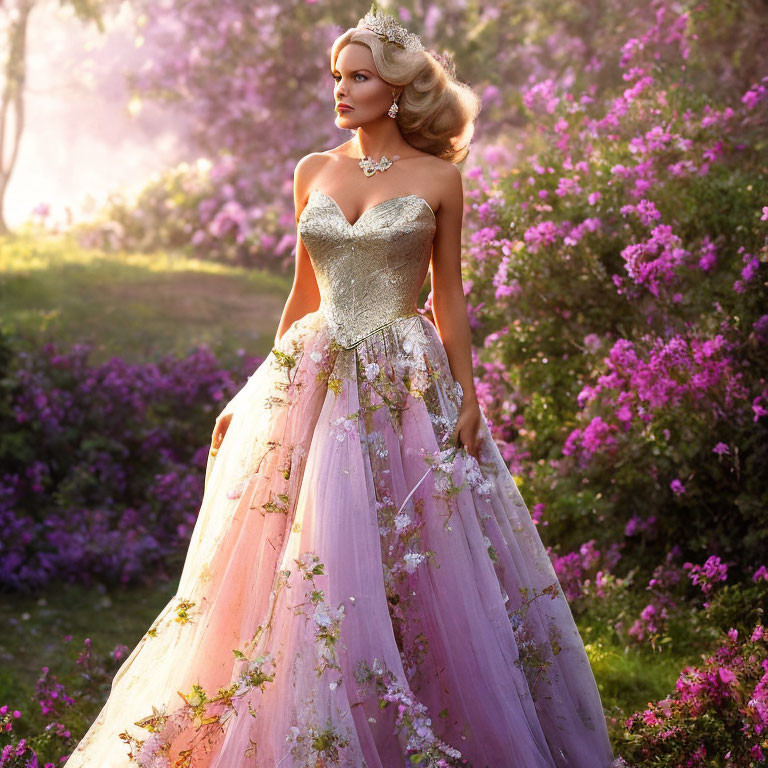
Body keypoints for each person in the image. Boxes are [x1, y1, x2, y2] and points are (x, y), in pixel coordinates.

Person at [64, 9, 628, 768]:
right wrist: (253, 391)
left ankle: (417, 724)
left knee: (417, 554)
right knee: (304, 551)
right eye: (337, 76)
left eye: (358, 76)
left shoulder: (438, 178)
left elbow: (450, 298)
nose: (342, 89)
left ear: (396, 90)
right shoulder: (312, 171)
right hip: (315, 373)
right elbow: (302, 296)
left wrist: (469, 394)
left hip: (404, 379)